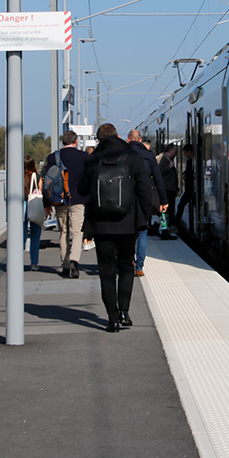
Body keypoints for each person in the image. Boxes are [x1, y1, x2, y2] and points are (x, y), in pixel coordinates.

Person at [79, 123, 152, 332]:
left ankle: (112, 318)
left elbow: (82, 190)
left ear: (99, 140)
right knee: (126, 265)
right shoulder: (133, 157)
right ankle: (124, 312)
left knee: (106, 270)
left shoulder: (93, 159)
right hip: (128, 224)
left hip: (101, 225)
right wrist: (143, 218)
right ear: (118, 137)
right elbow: (145, 192)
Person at [43, 130, 89, 278]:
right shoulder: (84, 157)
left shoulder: (53, 157)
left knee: (63, 232)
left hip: (59, 200)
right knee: (77, 232)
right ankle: (74, 260)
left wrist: (46, 203)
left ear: (63, 142)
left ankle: (64, 264)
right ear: (76, 141)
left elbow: (47, 182)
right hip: (78, 200)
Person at [126, 129, 167, 277]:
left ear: (128, 140)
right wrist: (163, 200)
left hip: (127, 197)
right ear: (140, 140)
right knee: (143, 230)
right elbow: (158, 178)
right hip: (145, 197)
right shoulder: (149, 155)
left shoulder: (124, 154)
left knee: (129, 230)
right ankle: (139, 267)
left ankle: (129, 260)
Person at [24, 155, 43, 271]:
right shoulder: (37, 176)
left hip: (21, 206)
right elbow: (40, 191)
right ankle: (34, 263)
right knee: (35, 236)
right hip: (34, 205)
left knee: (20, 235)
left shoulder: (18, 176)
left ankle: (16, 262)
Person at [157, 144, 179, 240]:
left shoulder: (166, 159)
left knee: (166, 212)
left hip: (169, 189)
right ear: (170, 151)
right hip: (167, 190)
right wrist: (169, 167)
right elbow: (159, 172)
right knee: (166, 212)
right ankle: (161, 229)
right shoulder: (164, 159)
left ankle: (161, 228)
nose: (176, 154)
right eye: (175, 151)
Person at [173, 143, 195, 231]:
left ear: (190, 152)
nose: (185, 155)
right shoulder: (190, 161)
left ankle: (175, 224)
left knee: (180, 205)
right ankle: (174, 224)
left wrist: (186, 176)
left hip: (190, 189)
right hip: (189, 188)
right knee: (181, 205)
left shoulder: (193, 162)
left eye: (185, 153)